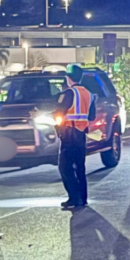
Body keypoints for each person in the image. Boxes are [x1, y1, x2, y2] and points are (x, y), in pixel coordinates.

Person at [55, 64, 95, 210]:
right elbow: (92, 116)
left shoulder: (69, 93)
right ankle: (82, 198)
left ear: (68, 77)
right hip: (81, 134)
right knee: (80, 167)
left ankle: (74, 197)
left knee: (65, 167)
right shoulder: (88, 94)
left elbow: (59, 112)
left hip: (69, 134)